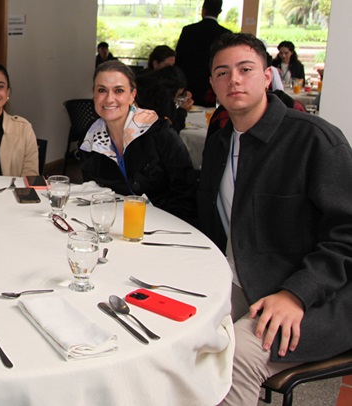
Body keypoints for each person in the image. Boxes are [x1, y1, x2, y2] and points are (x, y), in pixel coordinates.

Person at [197, 33, 352, 405]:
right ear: (213, 86)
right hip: (243, 277)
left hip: (317, 294)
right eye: (223, 72)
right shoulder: (220, 143)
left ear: (268, 77)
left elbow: (347, 232)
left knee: (236, 356)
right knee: (173, 330)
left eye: (245, 69)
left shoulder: (314, 139)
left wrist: (297, 293)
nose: (234, 79)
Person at [79, 60, 197, 224]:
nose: (109, 98)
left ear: (132, 95)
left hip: (166, 226)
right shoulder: (91, 142)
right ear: (94, 94)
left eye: (119, 90)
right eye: (102, 90)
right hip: (118, 227)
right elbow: (95, 194)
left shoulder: (159, 132)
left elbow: (185, 191)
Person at [175, 0, 231, 107]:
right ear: (220, 12)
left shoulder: (188, 30)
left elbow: (179, 57)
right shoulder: (225, 34)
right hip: (212, 86)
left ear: (203, 10)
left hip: (189, 82)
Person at [136, 65, 193, 132]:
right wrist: (182, 111)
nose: (175, 98)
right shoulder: (162, 99)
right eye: (177, 95)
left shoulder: (143, 87)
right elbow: (171, 131)